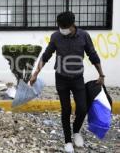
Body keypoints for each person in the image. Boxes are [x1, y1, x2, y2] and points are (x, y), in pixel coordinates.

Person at [29, 11, 105, 153]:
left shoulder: (83, 36)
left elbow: (92, 55)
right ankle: (67, 140)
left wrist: (101, 74)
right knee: (66, 109)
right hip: (61, 78)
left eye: (65, 27)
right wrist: (35, 74)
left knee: (82, 108)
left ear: (72, 25)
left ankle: (76, 132)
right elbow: (46, 56)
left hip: (77, 78)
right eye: (60, 27)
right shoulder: (56, 37)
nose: (62, 29)